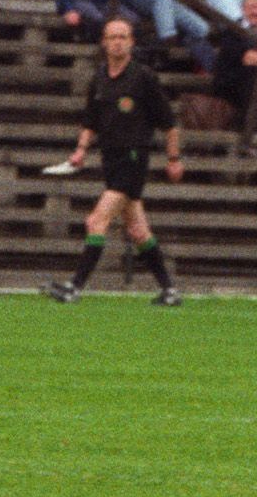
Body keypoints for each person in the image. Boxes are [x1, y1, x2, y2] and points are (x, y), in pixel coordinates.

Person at [43, 16, 186, 305]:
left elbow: (169, 124)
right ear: (104, 42)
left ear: (131, 42)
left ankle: (74, 287)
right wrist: (81, 150)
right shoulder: (99, 78)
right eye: (112, 37)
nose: (118, 42)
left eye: (123, 37)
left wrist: (173, 159)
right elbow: (90, 121)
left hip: (133, 157)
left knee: (96, 220)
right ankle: (170, 290)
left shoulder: (142, 77)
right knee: (137, 230)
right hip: (110, 158)